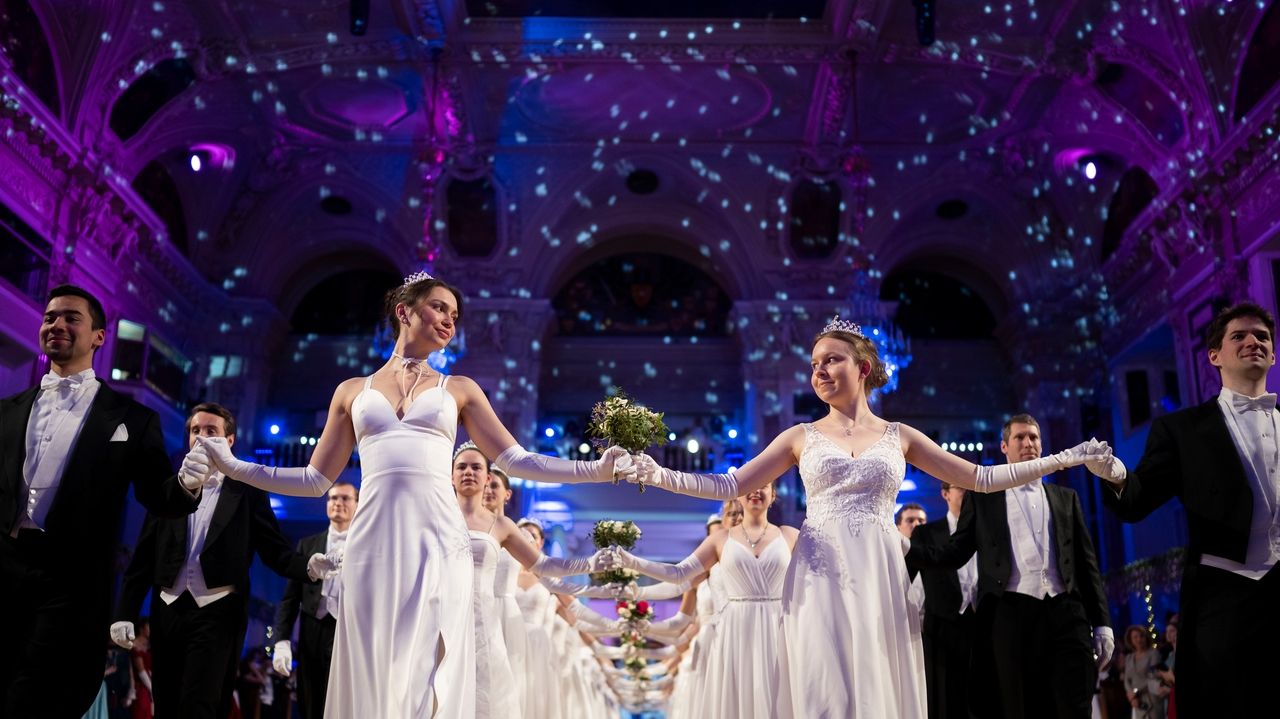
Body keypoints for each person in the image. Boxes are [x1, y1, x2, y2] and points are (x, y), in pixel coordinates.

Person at [197, 271, 635, 717]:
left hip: (439, 539)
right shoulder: (351, 391)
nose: (450, 321)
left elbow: (517, 459)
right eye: (439, 308)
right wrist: (235, 467)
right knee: (372, 664)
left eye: (455, 315)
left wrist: (596, 470)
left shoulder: (459, 389)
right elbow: (313, 480)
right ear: (404, 311)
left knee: (428, 665)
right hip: (371, 542)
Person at [628, 316, 1113, 717]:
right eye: (814, 364)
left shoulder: (900, 435)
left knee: (879, 678)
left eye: (831, 360)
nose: (819, 371)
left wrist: (1065, 458)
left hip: (879, 569)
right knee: (823, 683)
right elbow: (730, 484)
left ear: (862, 367)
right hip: (820, 569)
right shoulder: (800, 436)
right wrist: (658, 473)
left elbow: (982, 478)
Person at [0, 284, 205, 717]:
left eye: (71, 317)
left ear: (98, 336)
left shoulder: (132, 418)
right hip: (5, 566)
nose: (56, 324)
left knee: (37, 693)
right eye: (50, 317)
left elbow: (157, 494)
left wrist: (187, 482)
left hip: (71, 577)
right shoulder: (7, 411)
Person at [1084, 301, 1280, 718]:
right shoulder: (1182, 430)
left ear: (1273, 353)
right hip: (1223, 597)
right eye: (1239, 336)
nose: (1253, 342)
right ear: (1214, 356)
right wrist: (1115, 474)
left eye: (1262, 336)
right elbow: (1137, 501)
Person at [111, 403, 322, 719]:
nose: (202, 438)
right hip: (167, 608)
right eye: (196, 431)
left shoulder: (247, 491)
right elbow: (142, 558)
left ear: (231, 441)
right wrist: (124, 613)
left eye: (212, 431)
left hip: (218, 613)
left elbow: (274, 551)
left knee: (201, 704)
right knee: (166, 702)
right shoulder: (169, 488)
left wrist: (307, 567)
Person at [908, 414, 1114, 719]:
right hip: (1010, 615)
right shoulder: (983, 498)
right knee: (1019, 706)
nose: (1028, 443)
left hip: (1066, 612)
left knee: (1074, 701)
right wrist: (904, 548)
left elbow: (1087, 565)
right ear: (1004, 446)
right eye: (1019, 437)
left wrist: (1103, 623)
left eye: (1033, 437)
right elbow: (956, 551)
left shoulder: (1066, 498)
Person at [452, 441, 612, 718]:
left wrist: (589, 563)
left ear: (488, 477)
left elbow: (544, 565)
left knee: (488, 693)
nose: (468, 472)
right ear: (451, 476)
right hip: (447, 612)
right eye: (461, 467)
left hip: (485, 616)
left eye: (476, 467)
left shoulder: (502, 526)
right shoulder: (438, 517)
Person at [613, 481, 798, 718]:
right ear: (738, 496)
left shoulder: (790, 535)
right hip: (734, 632)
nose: (756, 490)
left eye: (764, 485)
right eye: (749, 485)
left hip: (778, 628)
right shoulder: (719, 540)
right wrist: (632, 563)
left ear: (773, 495)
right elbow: (678, 574)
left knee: (777, 698)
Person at [272, 480, 359, 719]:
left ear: (357, 504)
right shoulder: (307, 544)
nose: (337, 503)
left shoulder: (366, 547)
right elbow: (290, 598)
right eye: (332, 498)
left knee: (347, 700)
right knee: (310, 699)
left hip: (349, 629)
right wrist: (281, 640)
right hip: (312, 629)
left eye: (345, 498)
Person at [910, 483, 978, 719]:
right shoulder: (926, 533)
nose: (967, 494)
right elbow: (905, 582)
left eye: (971, 489)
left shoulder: (987, 532)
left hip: (981, 629)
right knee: (943, 704)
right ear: (945, 493)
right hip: (940, 632)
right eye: (962, 488)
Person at [1122, 626, 1164, 719]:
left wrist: (1135, 692)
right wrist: (1132, 696)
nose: (1139, 639)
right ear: (1130, 640)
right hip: (1137, 702)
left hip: (1151, 699)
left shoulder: (1154, 654)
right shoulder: (1129, 657)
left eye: (1141, 636)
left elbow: (1153, 677)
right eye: (1135, 637)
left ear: (1146, 637)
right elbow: (1126, 679)